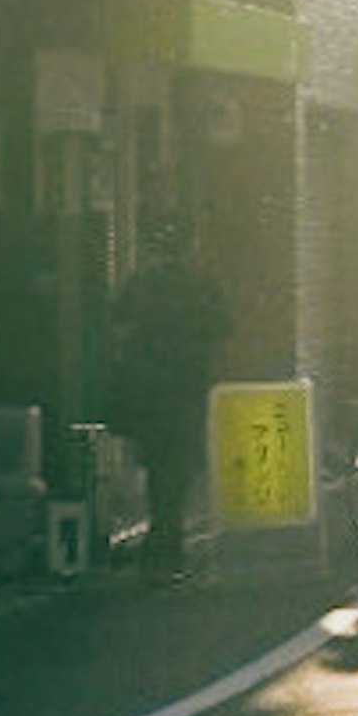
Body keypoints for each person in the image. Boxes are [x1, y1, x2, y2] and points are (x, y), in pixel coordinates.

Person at [106, 227, 231, 585]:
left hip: (147, 389)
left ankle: (159, 549)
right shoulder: (201, 283)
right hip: (186, 388)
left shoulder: (143, 282)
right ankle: (167, 551)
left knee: (158, 468)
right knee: (179, 469)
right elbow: (225, 325)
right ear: (191, 246)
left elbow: (116, 315)